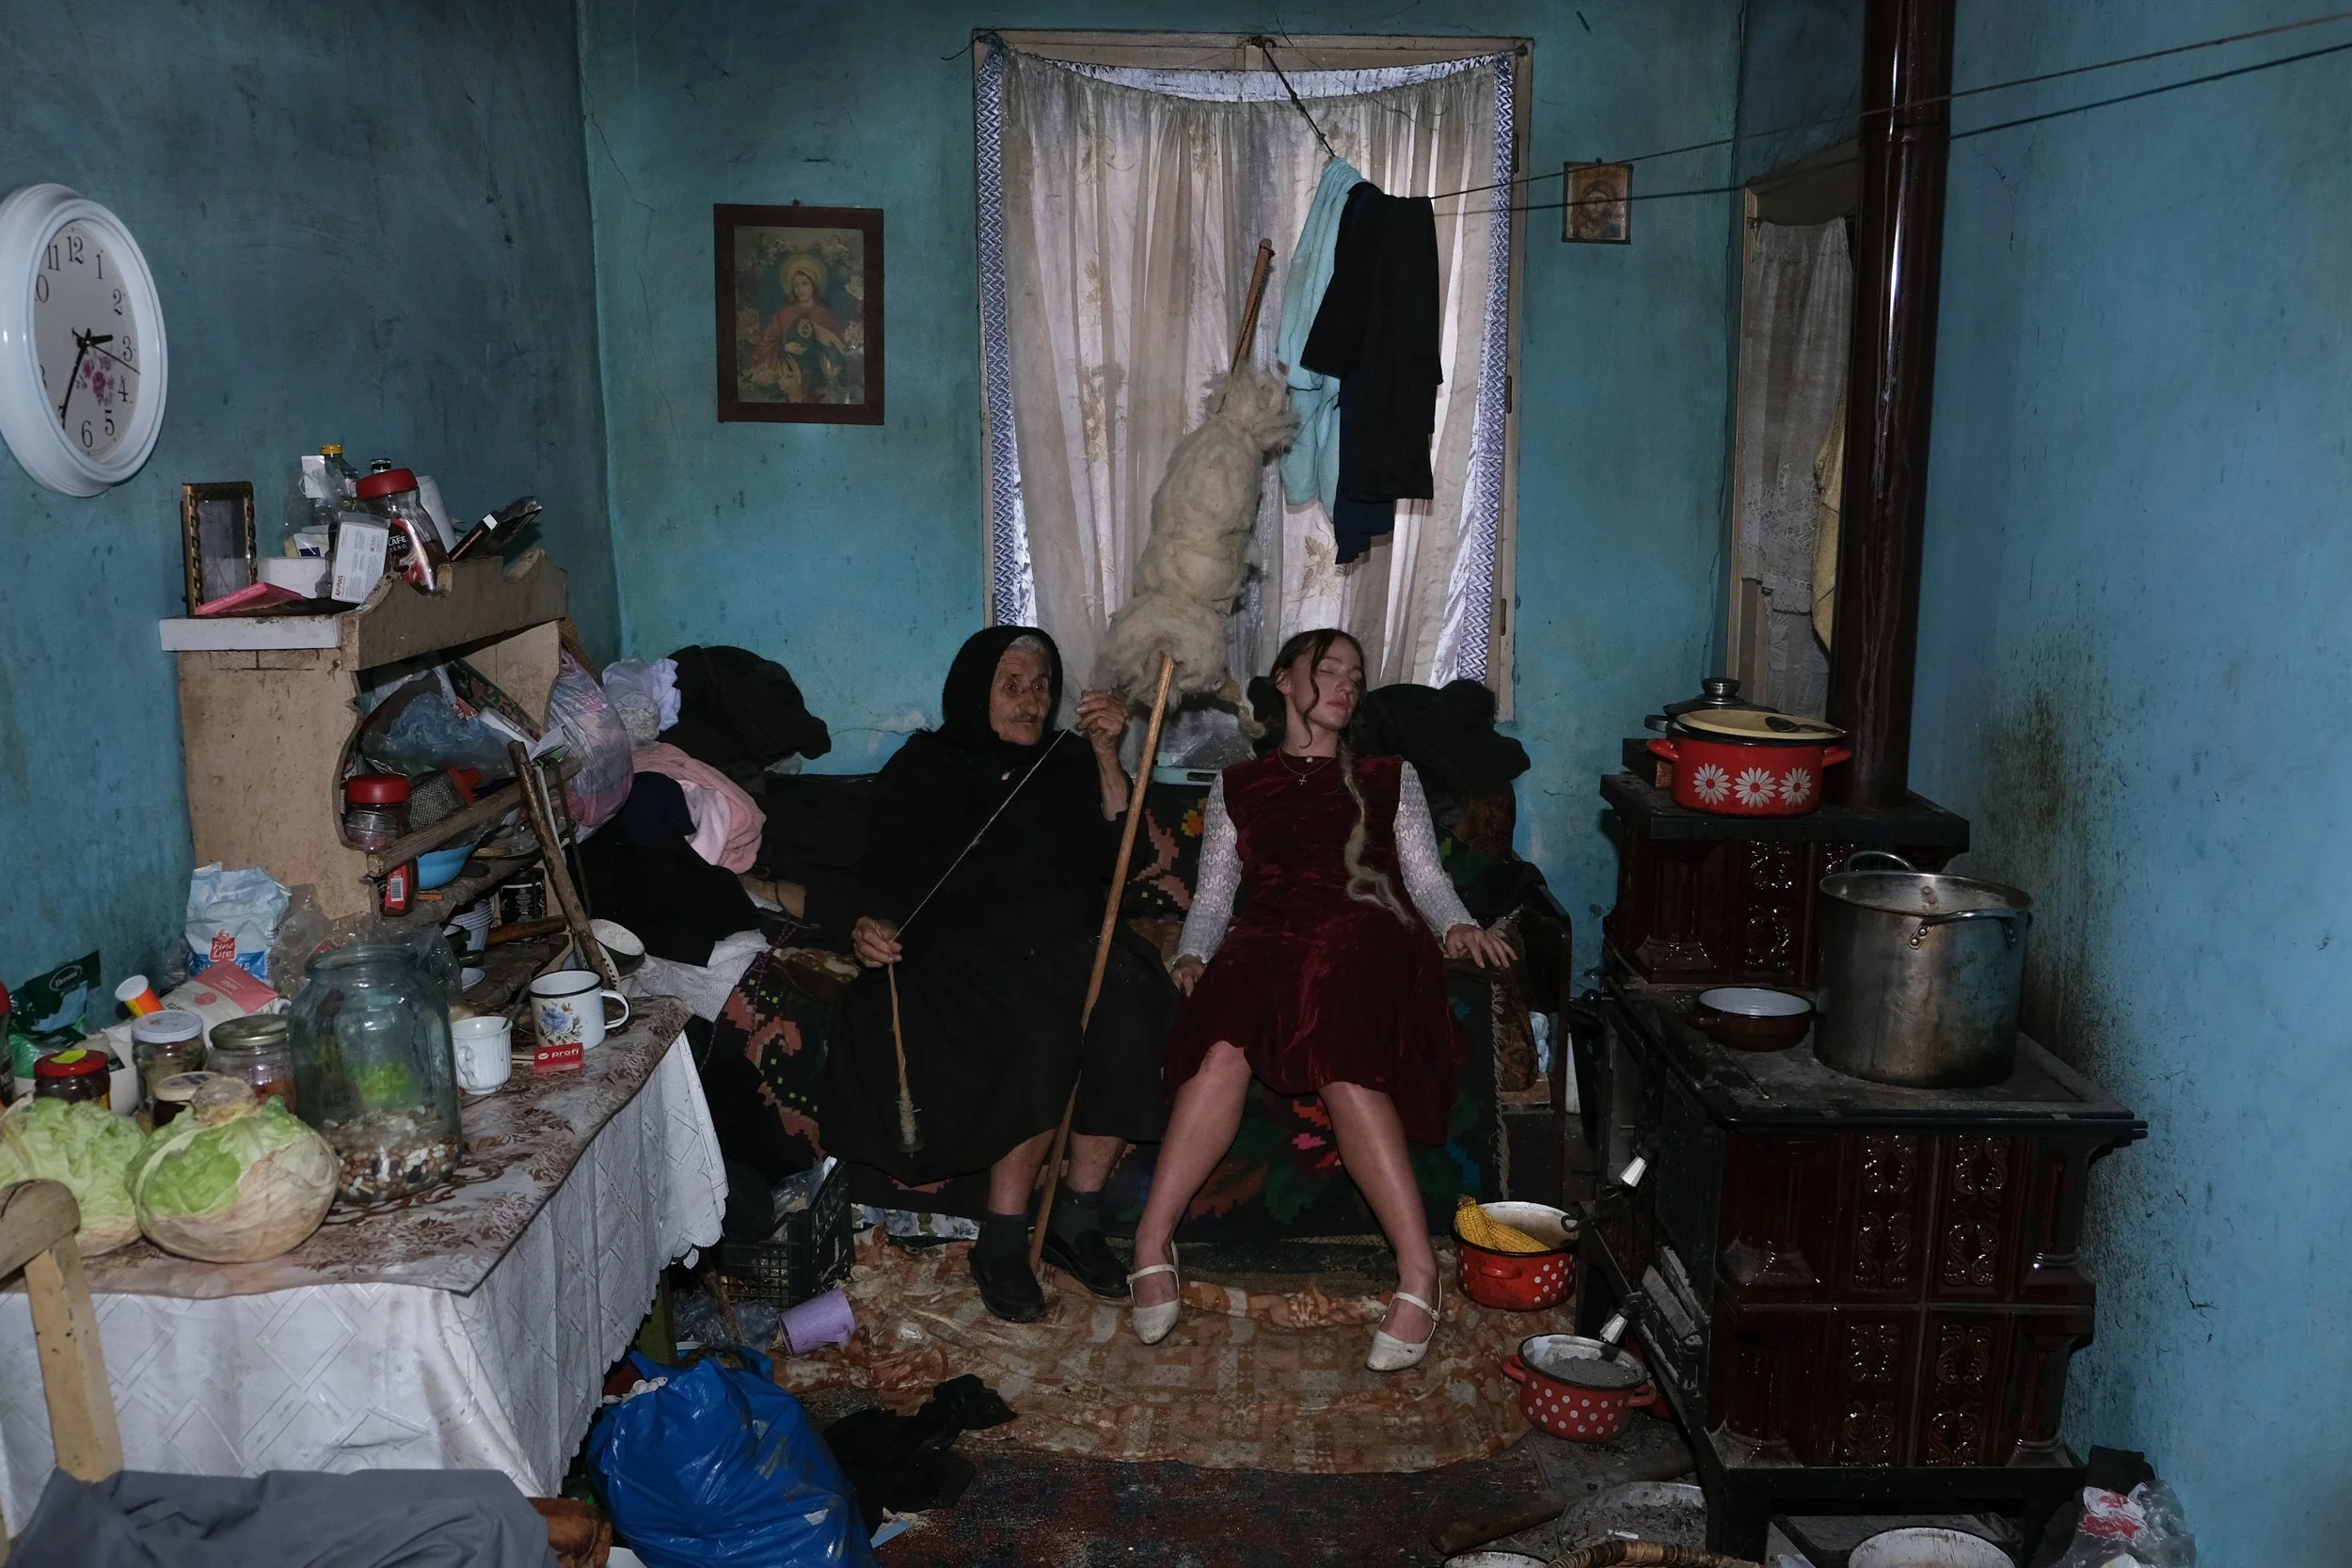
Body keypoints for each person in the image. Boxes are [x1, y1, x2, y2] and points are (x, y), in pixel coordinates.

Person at [1128, 628, 1512, 1370]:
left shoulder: (1387, 776)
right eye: (1328, 669)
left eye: (1355, 676)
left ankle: (1419, 1272)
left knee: (1335, 1020)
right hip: (1269, 934)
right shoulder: (1238, 784)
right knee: (1221, 1035)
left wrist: (1457, 925)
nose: (1345, 685)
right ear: (1283, 680)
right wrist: (1194, 952)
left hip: (1364, 927)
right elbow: (1215, 897)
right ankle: (1151, 1242)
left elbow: (1425, 878)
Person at [820, 626, 1174, 1322]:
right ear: (973, 690)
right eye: (1011, 685)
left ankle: (1077, 1218)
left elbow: (1124, 855)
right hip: (965, 949)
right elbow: (883, 869)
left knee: (1132, 1007)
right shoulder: (925, 766)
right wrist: (869, 925)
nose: (1031, 701)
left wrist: (1108, 756)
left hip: (1067, 940)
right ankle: (1004, 1238)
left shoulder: (1069, 760)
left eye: (1041, 686)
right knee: (1040, 1027)